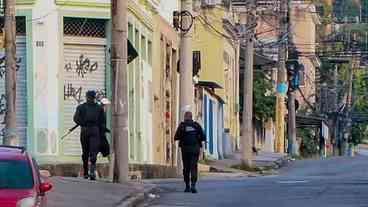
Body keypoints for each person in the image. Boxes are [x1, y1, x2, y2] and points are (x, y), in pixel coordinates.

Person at [73, 90, 105, 180]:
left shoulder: (84, 107)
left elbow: (76, 119)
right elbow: (76, 118)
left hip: (90, 130)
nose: (91, 99)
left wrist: (82, 123)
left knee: (90, 153)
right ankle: (88, 172)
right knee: (88, 153)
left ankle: (90, 173)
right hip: (90, 130)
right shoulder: (96, 108)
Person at [174, 111, 206, 193]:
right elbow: (203, 137)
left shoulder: (182, 126)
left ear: (185, 117)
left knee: (186, 167)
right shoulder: (196, 125)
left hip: (185, 150)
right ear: (191, 117)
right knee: (194, 167)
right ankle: (193, 185)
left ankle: (187, 186)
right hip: (195, 149)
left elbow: (176, 137)